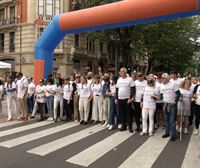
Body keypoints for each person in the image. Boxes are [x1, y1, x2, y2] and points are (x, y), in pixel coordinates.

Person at [160, 73, 181, 141]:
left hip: (172, 105)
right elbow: (161, 95)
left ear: (167, 78)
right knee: (166, 119)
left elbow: (178, 94)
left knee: (172, 120)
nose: (162, 79)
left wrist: (175, 101)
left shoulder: (173, 84)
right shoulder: (161, 85)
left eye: (163, 78)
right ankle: (167, 132)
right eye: (161, 78)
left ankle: (173, 135)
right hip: (165, 103)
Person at [115, 67, 135, 133]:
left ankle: (130, 127)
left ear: (125, 72)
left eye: (122, 71)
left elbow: (133, 89)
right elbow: (117, 89)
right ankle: (124, 126)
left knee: (128, 113)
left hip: (127, 99)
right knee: (122, 113)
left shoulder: (130, 79)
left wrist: (130, 98)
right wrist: (116, 98)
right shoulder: (119, 79)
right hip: (120, 99)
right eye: (120, 72)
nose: (121, 73)